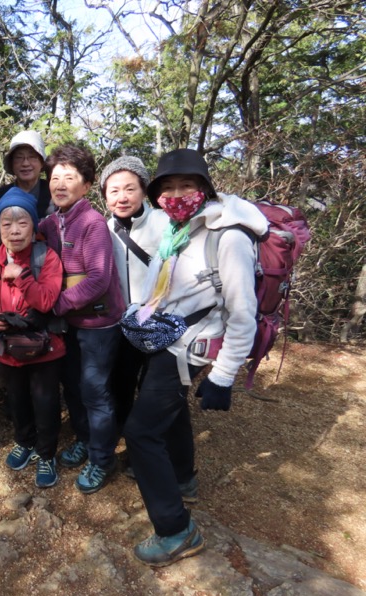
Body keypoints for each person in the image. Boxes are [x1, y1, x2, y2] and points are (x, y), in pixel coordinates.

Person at [122, 148, 268, 567]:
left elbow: (244, 315)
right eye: (167, 187)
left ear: (204, 188)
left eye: (187, 185)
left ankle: (175, 530)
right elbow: (168, 289)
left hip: (193, 345)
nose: (176, 193)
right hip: (169, 338)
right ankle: (183, 478)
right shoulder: (178, 229)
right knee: (172, 413)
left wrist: (223, 377)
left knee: (141, 431)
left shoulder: (230, 235)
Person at [38, 143, 125, 494]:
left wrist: (55, 305)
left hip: (99, 326)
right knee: (73, 387)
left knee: (94, 392)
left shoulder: (91, 223)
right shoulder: (50, 222)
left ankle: (103, 459)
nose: (59, 184)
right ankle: (86, 441)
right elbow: (24, 237)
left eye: (69, 178)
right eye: (55, 177)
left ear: (86, 185)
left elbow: (98, 279)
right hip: (70, 325)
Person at [0, 188, 65, 488]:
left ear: (34, 225)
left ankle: (47, 454)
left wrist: (21, 276)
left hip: (45, 347)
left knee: (45, 402)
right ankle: (24, 443)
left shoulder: (47, 257)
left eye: (22, 222)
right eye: (6, 223)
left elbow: (47, 301)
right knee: (16, 401)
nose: (14, 230)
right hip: (7, 349)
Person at [101, 157, 169, 433]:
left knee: (153, 388)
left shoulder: (163, 223)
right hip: (122, 322)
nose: (122, 197)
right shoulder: (103, 230)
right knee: (122, 381)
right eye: (114, 191)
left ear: (144, 191)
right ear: (105, 195)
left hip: (158, 319)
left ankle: (149, 440)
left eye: (130, 189)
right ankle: (123, 433)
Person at [0, 130, 54, 217]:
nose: (25, 163)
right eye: (19, 157)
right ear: (12, 163)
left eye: (32, 157)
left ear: (42, 162)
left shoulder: (53, 192)